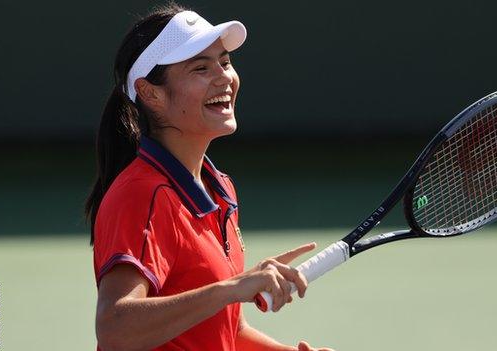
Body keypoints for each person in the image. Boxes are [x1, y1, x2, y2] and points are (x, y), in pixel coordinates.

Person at [85, 3, 334, 351]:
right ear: (150, 93)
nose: (224, 77)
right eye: (201, 67)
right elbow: (115, 329)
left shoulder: (220, 190)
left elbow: (225, 333)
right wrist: (231, 288)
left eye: (225, 62)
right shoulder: (141, 194)